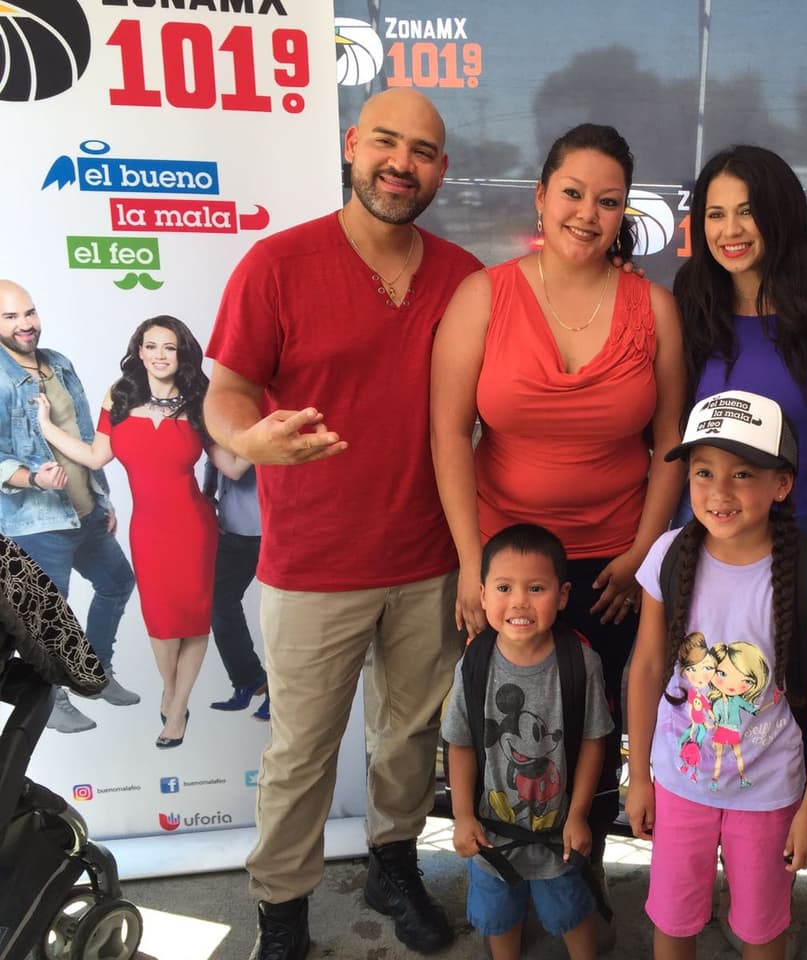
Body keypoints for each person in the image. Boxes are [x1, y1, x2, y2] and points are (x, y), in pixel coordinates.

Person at [204, 88, 482, 960]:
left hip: (429, 557)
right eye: (387, 144)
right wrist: (244, 439)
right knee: (301, 754)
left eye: (424, 152)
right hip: (313, 563)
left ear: (442, 170)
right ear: (353, 146)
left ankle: (393, 865)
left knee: (407, 737)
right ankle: (281, 911)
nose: (402, 164)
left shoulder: (464, 277)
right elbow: (226, 393)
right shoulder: (277, 263)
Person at [430, 122, 685, 910]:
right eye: (572, 193)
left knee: (591, 733)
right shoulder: (486, 295)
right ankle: (504, 874)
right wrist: (474, 566)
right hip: (505, 569)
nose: (587, 213)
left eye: (608, 201)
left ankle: (581, 872)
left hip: (610, 566)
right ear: (542, 197)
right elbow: (448, 431)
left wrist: (642, 556)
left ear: (624, 215)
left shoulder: (656, 310)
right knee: (507, 731)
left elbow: (671, 440)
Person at [626, 389, 807, 960]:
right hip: (679, 784)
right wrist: (642, 777)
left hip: (771, 794)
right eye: (703, 472)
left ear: (781, 484)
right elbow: (648, 667)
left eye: (742, 473)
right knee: (674, 920)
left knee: (760, 929)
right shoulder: (668, 555)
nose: (719, 492)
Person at [35, 316, 248, 749]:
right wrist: (46, 427)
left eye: (169, 348)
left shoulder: (198, 400)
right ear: (139, 350)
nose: (158, 355)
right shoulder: (120, 394)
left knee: (193, 619)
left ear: (182, 353)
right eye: (151, 346)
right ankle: (170, 690)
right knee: (161, 622)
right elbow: (96, 457)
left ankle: (177, 704)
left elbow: (231, 465)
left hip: (194, 528)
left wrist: (259, 434)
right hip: (148, 530)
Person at [674, 146, 807, 566]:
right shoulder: (689, 300)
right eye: (715, 214)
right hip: (709, 532)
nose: (729, 230)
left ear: (781, 213)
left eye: (747, 211)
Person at [443, 523, 612, 960]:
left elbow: (595, 740)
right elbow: (459, 743)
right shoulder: (475, 662)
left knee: (571, 914)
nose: (519, 601)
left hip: (559, 837)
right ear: (482, 595)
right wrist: (462, 816)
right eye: (504, 587)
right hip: (492, 837)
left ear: (562, 595)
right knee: (499, 918)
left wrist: (578, 817)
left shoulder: (580, 662)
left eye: (536, 587)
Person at [0, 279, 138, 734]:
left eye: (29, 313)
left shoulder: (59, 363)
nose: (26, 325)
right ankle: (53, 699)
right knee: (46, 621)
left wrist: (103, 497)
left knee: (118, 582)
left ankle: (93, 676)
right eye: (11, 317)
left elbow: (84, 436)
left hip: (86, 512)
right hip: (37, 522)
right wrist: (32, 477)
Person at [201, 462, 269, 720]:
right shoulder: (213, 422)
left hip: (270, 527)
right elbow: (213, 459)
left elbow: (234, 464)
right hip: (232, 528)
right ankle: (249, 679)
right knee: (219, 601)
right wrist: (208, 493)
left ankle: (285, 696)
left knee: (285, 615)